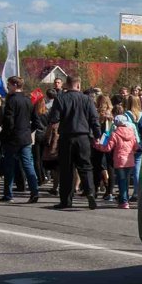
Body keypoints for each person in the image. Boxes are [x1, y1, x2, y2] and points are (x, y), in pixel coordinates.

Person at [47, 75, 101, 209]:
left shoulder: (60, 98)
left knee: (67, 169)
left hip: (66, 137)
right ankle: (90, 193)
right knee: (86, 167)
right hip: (83, 137)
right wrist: (97, 134)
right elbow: (94, 119)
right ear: (78, 85)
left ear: (67, 84)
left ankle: (66, 200)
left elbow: (54, 119)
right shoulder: (87, 99)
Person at [0, 76, 40, 204]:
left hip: (13, 138)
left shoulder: (11, 101)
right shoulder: (28, 101)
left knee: (9, 166)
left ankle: (8, 194)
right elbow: (36, 121)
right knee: (28, 165)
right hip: (25, 137)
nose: (7, 87)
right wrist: (28, 130)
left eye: (9, 85)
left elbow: (9, 121)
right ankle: (34, 191)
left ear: (15, 85)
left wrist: (5, 135)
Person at [94, 114, 138, 208]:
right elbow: (136, 147)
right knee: (125, 180)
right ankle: (125, 200)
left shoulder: (115, 133)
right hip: (130, 160)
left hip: (119, 160)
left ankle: (124, 201)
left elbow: (108, 148)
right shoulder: (131, 132)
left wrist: (97, 145)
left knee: (122, 181)